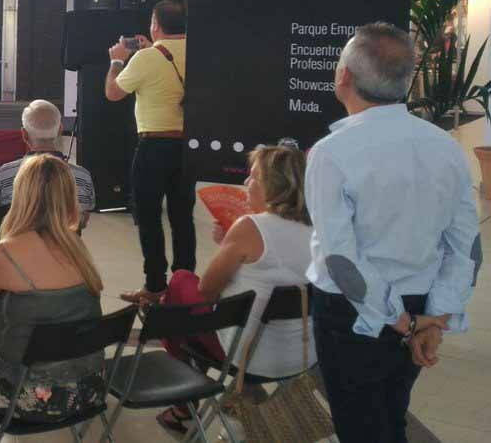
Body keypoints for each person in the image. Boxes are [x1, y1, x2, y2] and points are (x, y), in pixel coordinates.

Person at [306, 22, 481, 443]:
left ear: (344, 76)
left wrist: (403, 322)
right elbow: (467, 248)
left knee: (360, 426)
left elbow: (341, 261)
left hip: (353, 314)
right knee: (390, 415)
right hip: (418, 305)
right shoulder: (445, 146)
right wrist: (433, 319)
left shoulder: (332, 154)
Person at [154, 144, 316, 435]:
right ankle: (211, 400)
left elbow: (206, 293)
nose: (245, 184)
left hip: (246, 354)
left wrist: (231, 244)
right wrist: (229, 244)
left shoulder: (251, 227)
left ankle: (183, 405)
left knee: (180, 283)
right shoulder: (319, 230)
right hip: (302, 356)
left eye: (253, 177)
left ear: (273, 186)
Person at [0, 155, 104, 433]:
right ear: (69, 197)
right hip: (86, 390)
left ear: (21, 195)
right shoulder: (78, 250)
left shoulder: (2, 253)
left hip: (22, 397)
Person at [105, 0, 192, 304]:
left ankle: (155, 285)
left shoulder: (145, 59)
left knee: (149, 217)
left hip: (154, 146)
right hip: (188, 148)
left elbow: (114, 93)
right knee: (183, 217)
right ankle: (186, 283)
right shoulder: (199, 51)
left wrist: (117, 60)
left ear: (155, 24)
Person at [0, 99, 95, 274]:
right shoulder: (82, 176)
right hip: (64, 255)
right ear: (60, 130)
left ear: (24, 134)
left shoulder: (4, 173)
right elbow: (80, 221)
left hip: (14, 256)